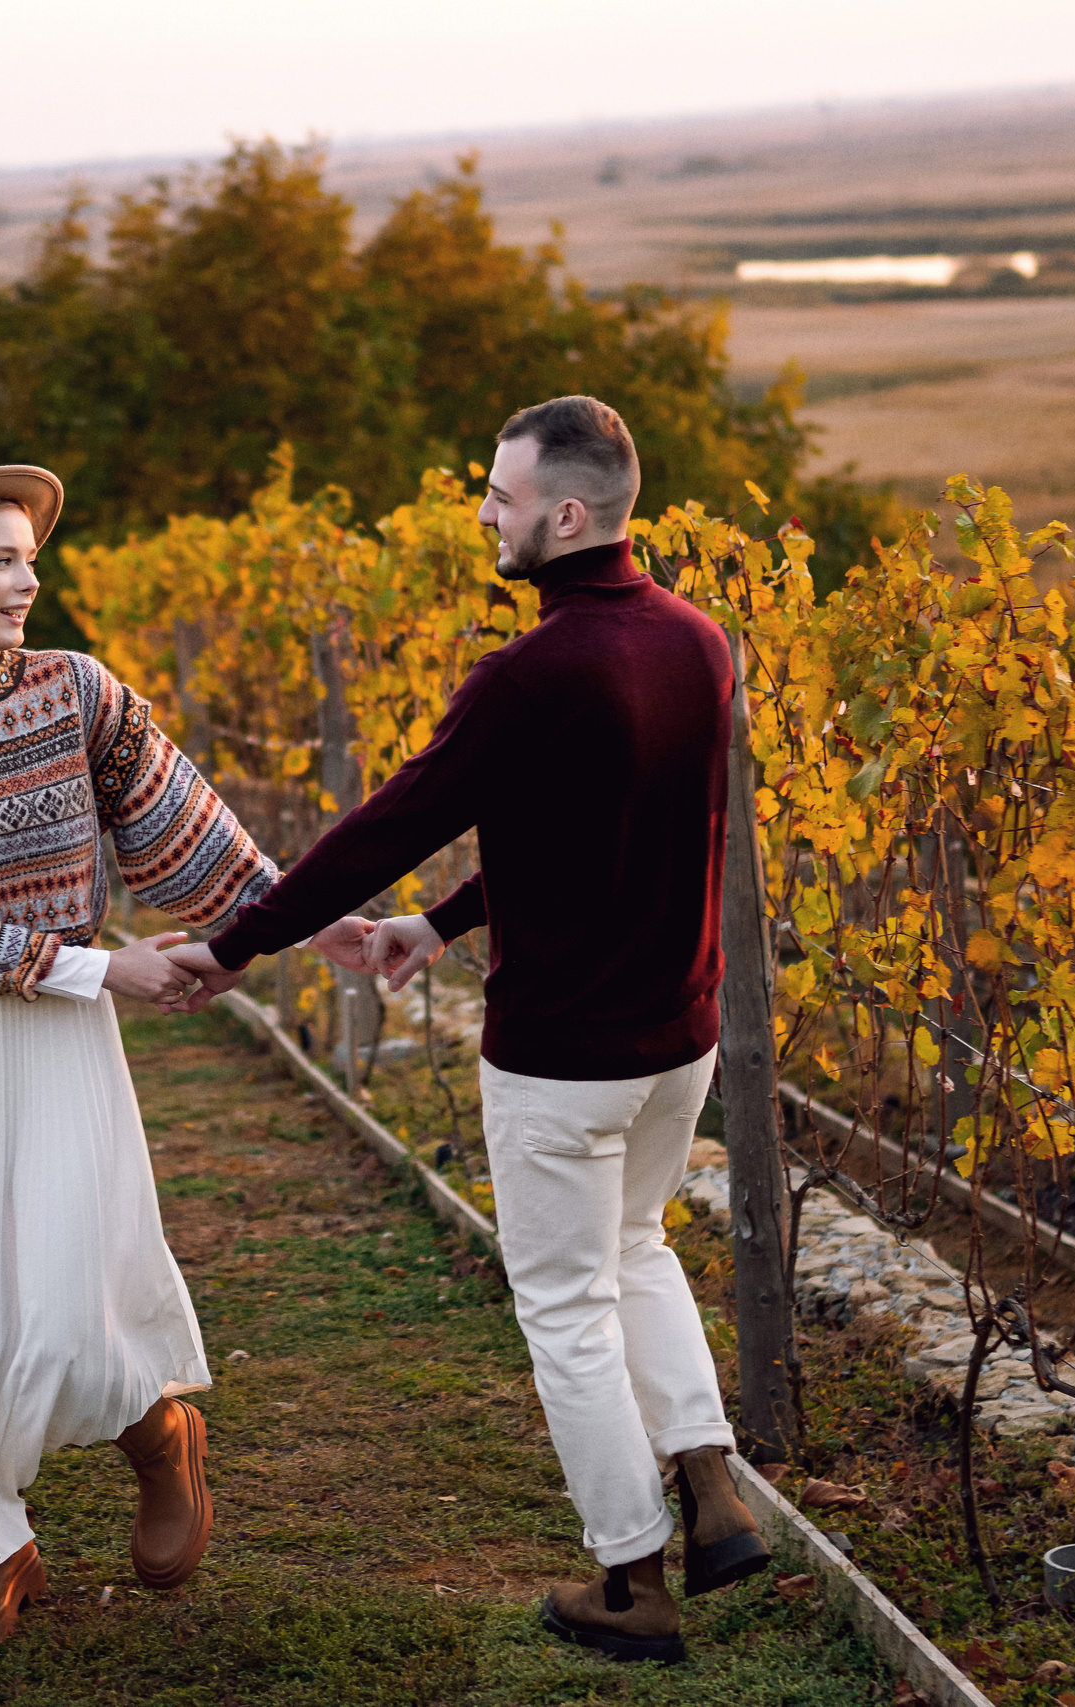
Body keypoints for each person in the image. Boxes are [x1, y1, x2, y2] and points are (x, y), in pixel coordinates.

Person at [168, 397, 770, 1665]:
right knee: (640, 1250)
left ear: (565, 512)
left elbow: (388, 821)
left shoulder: (529, 674)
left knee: (563, 1305)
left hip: (564, 1055)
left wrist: (236, 946)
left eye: (498, 498)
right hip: (680, 1040)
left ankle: (630, 1580)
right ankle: (712, 1491)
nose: (482, 516)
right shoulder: (697, 643)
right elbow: (587, 834)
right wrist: (437, 929)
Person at [0, 453, 373, 1643]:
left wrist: (321, 928)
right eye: (1, 560)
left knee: (71, 1305)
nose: (26, 582)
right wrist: (101, 965)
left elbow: (191, 835)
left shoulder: (78, 694)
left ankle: (164, 1441)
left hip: (63, 1048)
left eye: (29, 558)